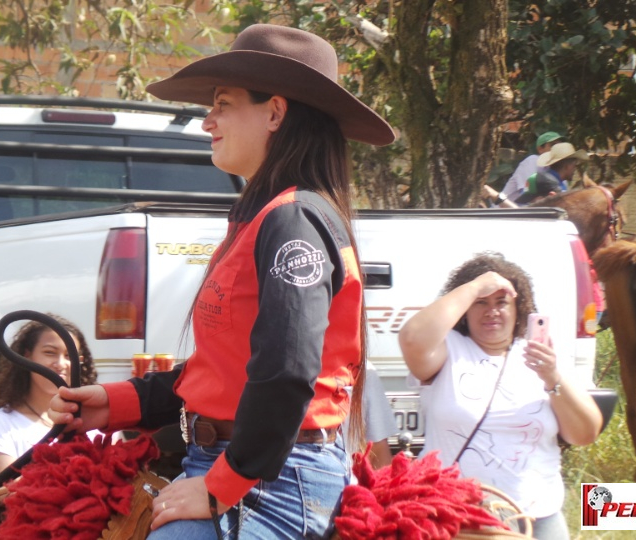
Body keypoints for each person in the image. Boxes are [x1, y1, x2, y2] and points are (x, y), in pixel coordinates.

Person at [48, 23, 395, 539]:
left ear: (275, 112)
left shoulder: (292, 221)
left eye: (223, 104)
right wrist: (117, 402)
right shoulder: (262, 218)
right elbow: (227, 371)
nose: (208, 121)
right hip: (238, 465)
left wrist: (221, 483)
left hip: (274, 480)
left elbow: (286, 372)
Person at [398, 253, 601, 540]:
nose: (491, 311)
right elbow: (411, 337)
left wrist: (552, 377)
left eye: (501, 302)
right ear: (464, 311)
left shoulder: (543, 356)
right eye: (481, 303)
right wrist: (475, 286)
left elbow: (585, 432)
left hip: (538, 517)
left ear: (519, 309)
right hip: (459, 518)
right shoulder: (450, 350)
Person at [0, 313, 103, 487]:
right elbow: (3, 495)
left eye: (70, 356)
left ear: (80, 362)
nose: (60, 364)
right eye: (49, 353)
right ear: (27, 356)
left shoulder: (99, 421)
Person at [499, 132, 564, 202]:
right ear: (540, 149)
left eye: (559, 146)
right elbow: (527, 194)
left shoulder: (557, 168)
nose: (557, 149)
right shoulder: (532, 161)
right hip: (504, 211)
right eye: (552, 145)